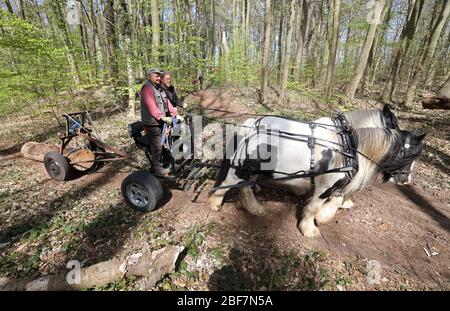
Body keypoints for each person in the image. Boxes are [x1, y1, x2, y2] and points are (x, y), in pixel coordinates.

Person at [140, 68, 180, 176]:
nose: (158, 78)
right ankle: (158, 169)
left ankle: (168, 161)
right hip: (152, 122)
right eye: (156, 76)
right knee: (157, 145)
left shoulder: (159, 89)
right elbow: (151, 106)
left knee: (167, 141)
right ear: (149, 77)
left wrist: (175, 115)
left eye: (159, 76)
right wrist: (162, 117)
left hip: (160, 121)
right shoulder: (147, 89)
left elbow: (168, 104)